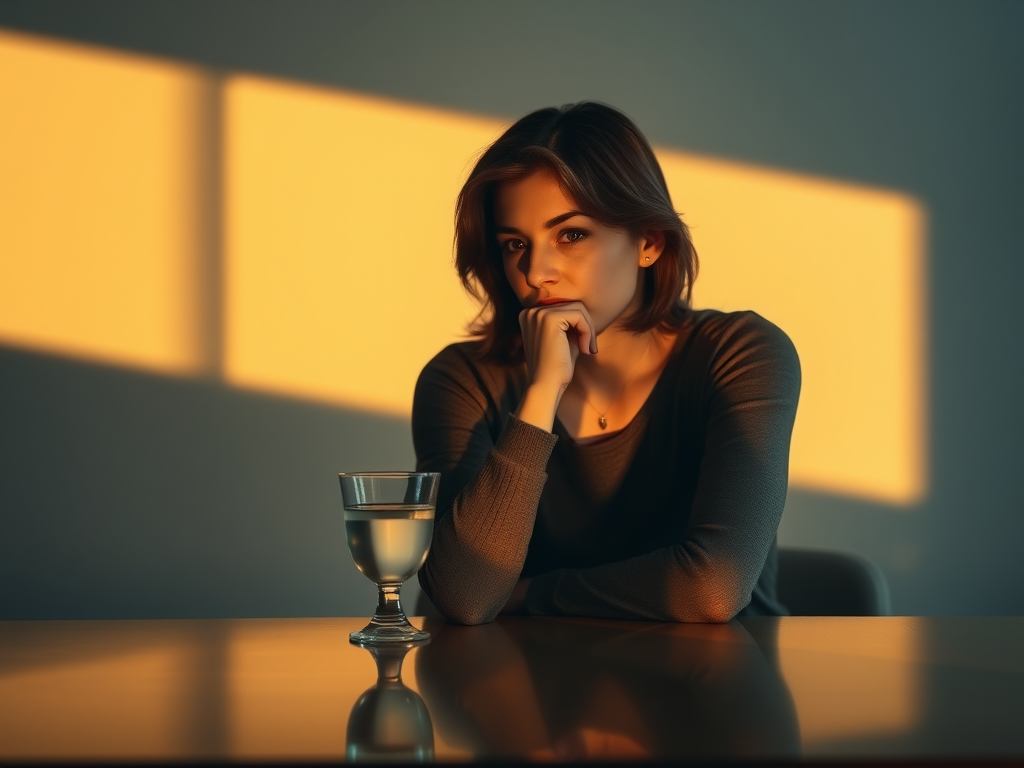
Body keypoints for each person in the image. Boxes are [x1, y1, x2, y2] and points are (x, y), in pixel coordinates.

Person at [412, 102, 800, 625]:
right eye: (514, 244)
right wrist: (543, 390)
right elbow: (463, 593)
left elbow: (711, 588)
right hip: (521, 697)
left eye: (570, 235)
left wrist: (529, 595)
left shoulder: (739, 355)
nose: (536, 272)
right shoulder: (463, 380)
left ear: (648, 241)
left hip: (714, 688)